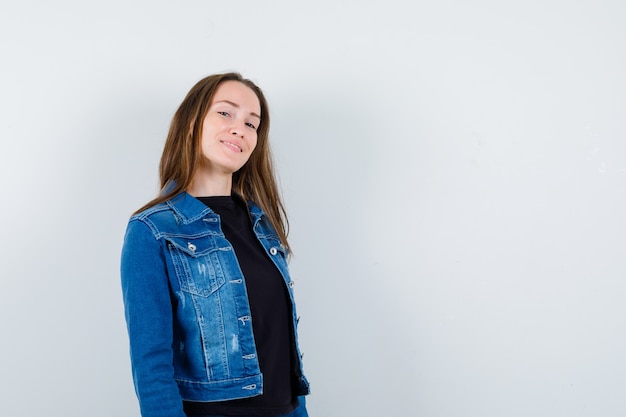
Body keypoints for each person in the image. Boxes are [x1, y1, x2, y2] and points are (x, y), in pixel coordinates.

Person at [120, 72, 310, 417]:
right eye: (226, 113)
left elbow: (284, 356)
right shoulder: (153, 230)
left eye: (252, 124)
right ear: (192, 123)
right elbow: (151, 366)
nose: (240, 128)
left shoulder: (263, 227)